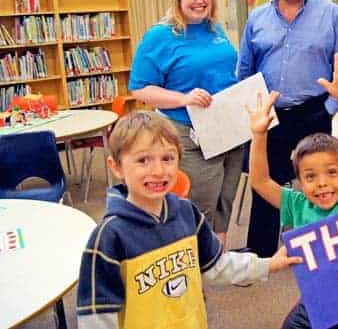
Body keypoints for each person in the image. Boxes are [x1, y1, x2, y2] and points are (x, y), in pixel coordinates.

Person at [76, 111, 301, 329]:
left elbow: (216, 266)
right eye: (143, 160)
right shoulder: (108, 236)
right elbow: (97, 316)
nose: (158, 170)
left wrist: (267, 265)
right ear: (116, 167)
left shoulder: (186, 213)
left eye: (168, 158)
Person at [249, 51, 338, 328]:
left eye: (332, 173)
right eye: (310, 176)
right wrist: (259, 134)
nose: (322, 183)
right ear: (299, 181)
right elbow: (260, 182)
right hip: (318, 307)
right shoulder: (299, 204)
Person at [238, 0, 338, 257]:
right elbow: (245, 69)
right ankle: (261, 251)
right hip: (271, 113)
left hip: (314, 111)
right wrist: (256, 109)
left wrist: (328, 110)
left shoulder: (330, 14)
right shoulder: (257, 18)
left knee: (320, 180)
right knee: (265, 183)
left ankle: (323, 248)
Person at [129, 0, 242, 245]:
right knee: (202, 200)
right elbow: (140, 88)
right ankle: (197, 258)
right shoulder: (160, 35)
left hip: (230, 127)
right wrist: (184, 98)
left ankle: (217, 253)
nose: (199, 0)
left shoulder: (215, 29)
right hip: (189, 132)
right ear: (178, 0)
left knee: (226, 196)